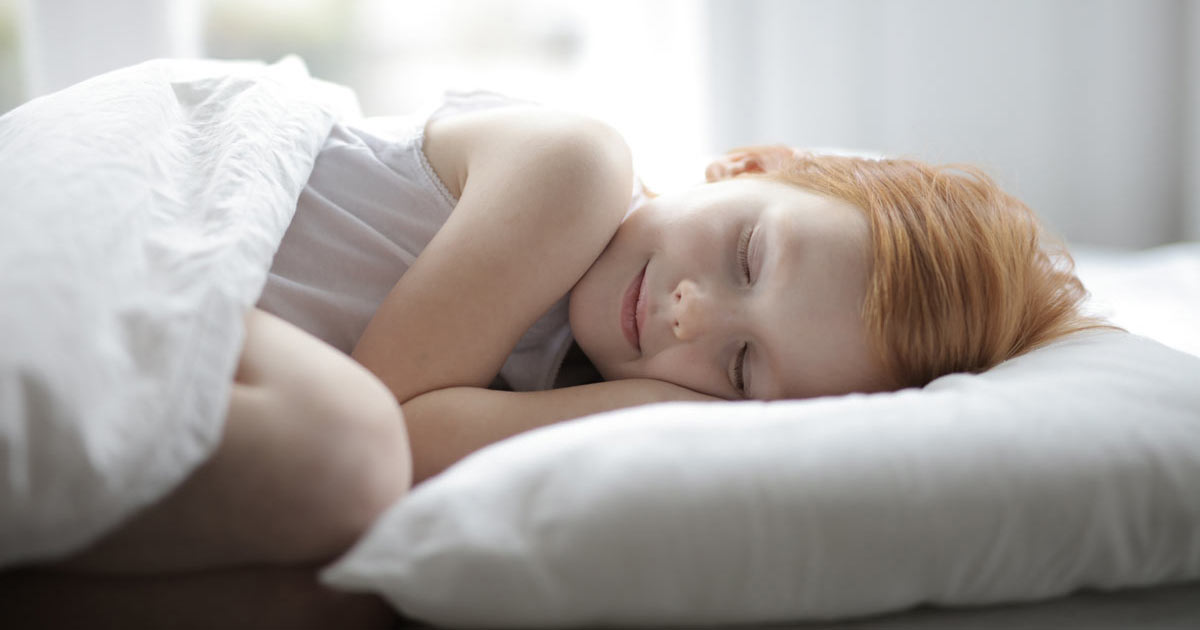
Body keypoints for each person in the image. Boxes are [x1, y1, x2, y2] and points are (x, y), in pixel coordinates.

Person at [9, 91, 1103, 628]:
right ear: (746, 167)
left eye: (741, 369)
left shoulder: (556, 376)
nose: (689, 316)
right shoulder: (578, 171)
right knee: (344, 459)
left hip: (182, 319)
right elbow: (404, 426)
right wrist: (690, 406)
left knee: (337, 596)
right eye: (748, 254)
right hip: (137, 201)